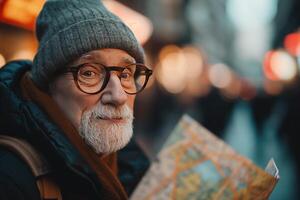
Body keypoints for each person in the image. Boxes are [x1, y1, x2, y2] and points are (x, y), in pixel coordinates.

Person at [0, 0, 152, 199]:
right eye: (89, 73)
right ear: (49, 85)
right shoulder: (10, 179)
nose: (118, 96)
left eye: (125, 75)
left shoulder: (130, 164)